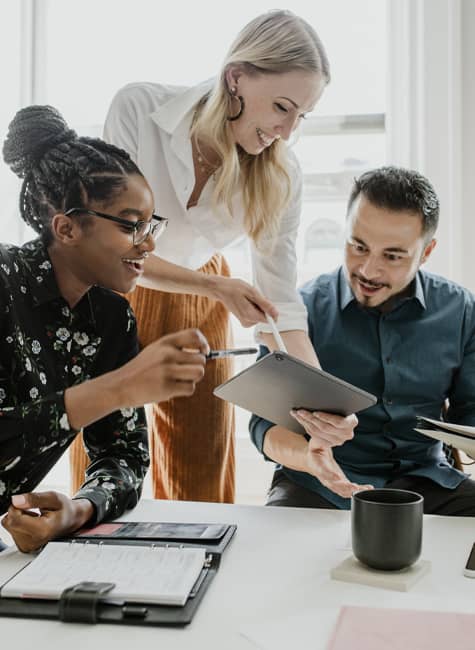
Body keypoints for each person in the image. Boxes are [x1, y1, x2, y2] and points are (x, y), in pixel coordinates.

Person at [69, 9, 342, 503]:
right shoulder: (139, 108)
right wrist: (217, 287)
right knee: (100, 462)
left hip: (200, 293)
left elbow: (281, 306)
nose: (286, 130)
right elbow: (111, 250)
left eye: (301, 116)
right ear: (235, 77)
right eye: (282, 107)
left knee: (201, 465)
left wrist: (322, 403)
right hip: (108, 292)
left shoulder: (282, 174)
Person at [0, 105, 209, 552]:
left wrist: (78, 510)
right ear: (67, 228)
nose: (150, 243)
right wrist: (118, 388)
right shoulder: (3, 280)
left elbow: (125, 454)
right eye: (132, 225)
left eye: (151, 225)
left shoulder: (113, 317)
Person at [250, 166, 475, 516]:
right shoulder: (298, 312)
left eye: (392, 256)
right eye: (358, 246)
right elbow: (263, 426)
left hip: (428, 482)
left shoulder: (460, 309)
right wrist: (311, 459)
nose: (369, 270)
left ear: (426, 251)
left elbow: (470, 412)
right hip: (318, 483)